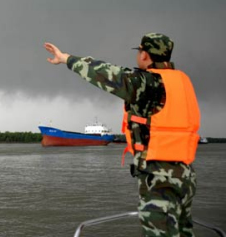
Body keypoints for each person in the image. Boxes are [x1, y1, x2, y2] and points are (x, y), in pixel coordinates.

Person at [43, 33, 200, 237]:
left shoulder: (147, 83)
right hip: (186, 176)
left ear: (144, 55)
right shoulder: (182, 82)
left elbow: (106, 73)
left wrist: (66, 59)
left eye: (140, 51)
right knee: (184, 232)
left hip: (160, 177)